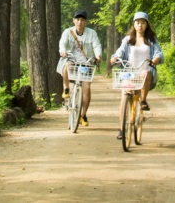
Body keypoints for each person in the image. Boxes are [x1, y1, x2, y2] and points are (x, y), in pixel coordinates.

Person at [111, 11, 164, 139]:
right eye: (137, 22)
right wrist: (115, 58)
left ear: (147, 25)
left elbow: (159, 53)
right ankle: (122, 129)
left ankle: (143, 100)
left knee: (145, 73)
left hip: (144, 73)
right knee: (124, 97)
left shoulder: (151, 40)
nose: (140, 25)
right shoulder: (128, 39)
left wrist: (156, 59)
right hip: (129, 73)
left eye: (143, 23)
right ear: (134, 24)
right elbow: (119, 52)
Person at [57, 9, 102, 127]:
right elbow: (62, 43)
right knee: (67, 65)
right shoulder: (68, 32)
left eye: (82, 20)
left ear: (86, 22)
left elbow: (97, 45)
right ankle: (66, 89)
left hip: (86, 63)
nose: (79, 22)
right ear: (73, 20)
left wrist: (98, 55)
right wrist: (63, 52)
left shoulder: (91, 33)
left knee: (86, 88)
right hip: (72, 60)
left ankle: (83, 115)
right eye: (77, 19)